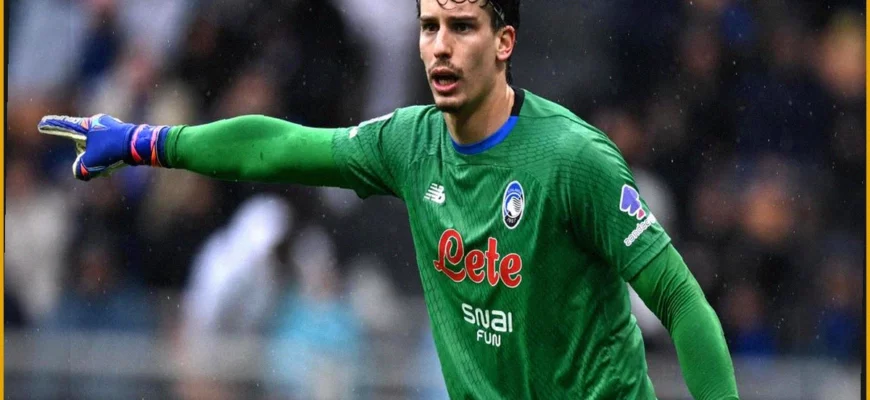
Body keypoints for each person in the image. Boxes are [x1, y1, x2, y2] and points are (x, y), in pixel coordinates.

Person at [39, 0, 739, 398]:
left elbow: (683, 303)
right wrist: (143, 140)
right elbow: (278, 147)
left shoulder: (573, 159)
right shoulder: (409, 143)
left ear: (504, 42)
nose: (440, 47)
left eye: (462, 27)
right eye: (429, 26)